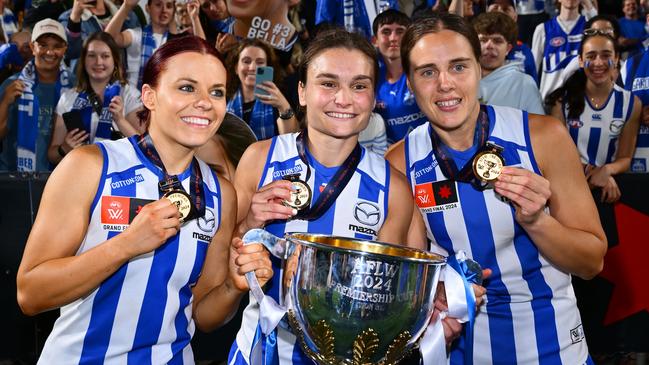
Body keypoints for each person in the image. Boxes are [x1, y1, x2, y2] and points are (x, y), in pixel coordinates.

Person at [16, 36, 273, 363]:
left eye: (217, 92)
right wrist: (126, 245)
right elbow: (30, 293)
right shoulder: (90, 165)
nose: (205, 102)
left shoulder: (221, 192)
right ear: (149, 96)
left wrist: (232, 288)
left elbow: (204, 315)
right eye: (187, 87)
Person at [386, 12, 607, 364]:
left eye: (459, 67)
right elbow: (408, 278)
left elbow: (591, 262)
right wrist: (432, 293)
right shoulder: (400, 161)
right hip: (457, 351)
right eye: (427, 72)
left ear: (480, 69)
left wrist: (537, 221)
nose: (445, 84)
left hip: (552, 348)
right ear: (410, 84)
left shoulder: (543, 137)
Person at [227, 28, 416, 365]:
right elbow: (221, 269)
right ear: (301, 91)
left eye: (359, 86)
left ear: (373, 98)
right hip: (260, 351)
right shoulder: (259, 158)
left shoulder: (395, 188)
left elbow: (382, 302)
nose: (343, 99)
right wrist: (250, 223)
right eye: (328, 83)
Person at [547, 31, 641, 202]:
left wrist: (607, 171)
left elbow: (625, 158)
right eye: (591, 56)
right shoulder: (561, 101)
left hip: (609, 192)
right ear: (581, 61)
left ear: (617, 58)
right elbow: (559, 154)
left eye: (606, 55)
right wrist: (593, 173)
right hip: (567, 190)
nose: (599, 62)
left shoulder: (631, 103)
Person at [48, 32, 143, 166]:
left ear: (115, 60)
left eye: (105, 56)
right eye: (92, 56)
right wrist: (64, 148)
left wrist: (120, 121)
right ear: (84, 60)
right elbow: (52, 155)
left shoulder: (130, 95)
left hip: (120, 179)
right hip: (82, 177)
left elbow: (145, 148)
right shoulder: (68, 98)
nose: (98, 62)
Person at [0, 19, 71, 172]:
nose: (50, 52)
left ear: (65, 48)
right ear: (33, 47)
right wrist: (5, 102)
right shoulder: (11, 85)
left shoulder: (75, 86)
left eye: (57, 46)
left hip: (62, 178)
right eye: (43, 45)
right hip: (14, 179)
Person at [106, 0, 204, 88]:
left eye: (169, 6)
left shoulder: (177, 41)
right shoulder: (136, 34)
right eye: (158, 5)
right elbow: (108, 39)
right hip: (132, 101)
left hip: (163, 100)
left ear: (173, 11)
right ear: (147, 8)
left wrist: (195, 18)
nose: (164, 10)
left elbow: (202, 50)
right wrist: (126, 6)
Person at [372, 9, 427, 144]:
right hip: (391, 157)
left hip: (432, 151)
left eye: (400, 31)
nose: (393, 38)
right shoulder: (370, 79)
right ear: (375, 40)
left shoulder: (424, 71)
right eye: (386, 32)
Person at [225, 38, 298, 140]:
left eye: (260, 62)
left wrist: (283, 105)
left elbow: (290, 141)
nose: (252, 67)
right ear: (236, 68)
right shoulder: (224, 99)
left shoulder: (279, 99)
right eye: (246, 61)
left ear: (268, 67)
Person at [474, 12, 545, 114]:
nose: (489, 46)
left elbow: (538, 127)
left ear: (508, 49)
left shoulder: (524, 84)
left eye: (497, 41)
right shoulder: (462, 80)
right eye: (483, 40)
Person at [532, 0, 598, 99]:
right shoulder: (542, 29)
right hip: (549, 99)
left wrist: (588, 4)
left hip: (581, 99)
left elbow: (601, 31)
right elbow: (533, 70)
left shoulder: (588, 27)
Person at [486, 0, 539, 83]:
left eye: (506, 9)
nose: (500, 13)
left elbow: (534, 90)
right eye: (495, 8)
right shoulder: (477, 48)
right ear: (486, 14)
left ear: (515, 17)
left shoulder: (524, 51)